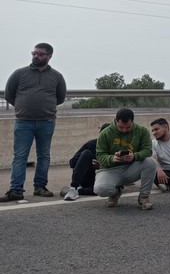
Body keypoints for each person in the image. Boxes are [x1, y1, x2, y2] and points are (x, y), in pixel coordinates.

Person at [3, 42, 67, 201]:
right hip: (23, 122)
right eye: (34, 53)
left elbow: (60, 98)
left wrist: (45, 107)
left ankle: (40, 187)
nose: (36, 56)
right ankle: (16, 190)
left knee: (44, 155)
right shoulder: (19, 74)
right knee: (20, 156)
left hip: (46, 121)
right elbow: (9, 95)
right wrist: (23, 107)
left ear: (49, 56)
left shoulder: (57, 77)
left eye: (40, 54)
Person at [94, 108, 158, 210]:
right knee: (101, 189)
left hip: (131, 168)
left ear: (132, 121)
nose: (124, 130)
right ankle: (115, 192)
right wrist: (112, 158)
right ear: (116, 121)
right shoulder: (105, 134)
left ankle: (144, 197)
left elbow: (147, 150)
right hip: (110, 170)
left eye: (128, 127)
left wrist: (134, 156)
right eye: (121, 127)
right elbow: (100, 155)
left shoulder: (142, 131)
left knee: (151, 162)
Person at [62, 122, 111, 201]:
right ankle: (74, 188)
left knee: (103, 191)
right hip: (88, 176)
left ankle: (81, 190)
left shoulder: (114, 147)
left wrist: (101, 165)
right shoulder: (91, 144)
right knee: (86, 153)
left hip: (102, 177)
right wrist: (88, 162)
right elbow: (72, 163)